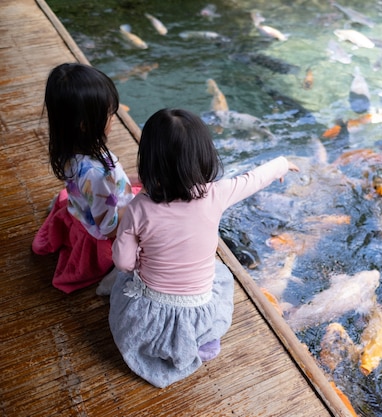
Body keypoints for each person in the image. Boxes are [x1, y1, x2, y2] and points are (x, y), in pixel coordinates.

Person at [108, 108, 299, 388]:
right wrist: (282, 164)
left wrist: (139, 262)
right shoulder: (217, 193)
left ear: (149, 161)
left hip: (151, 314)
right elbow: (252, 179)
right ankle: (200, 340)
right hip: (197, 309)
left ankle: (163, 344)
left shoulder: (138, 208)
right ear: (205, 156)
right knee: (218, 274)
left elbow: (123, 262)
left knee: (123, 285)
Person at [32, 63, 137, 294]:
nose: (113, 119)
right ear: (84, 125)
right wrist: (139, 206)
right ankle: (112, 280)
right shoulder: (98, 173)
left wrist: (129, 180)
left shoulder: (68, 149)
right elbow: (109, 227)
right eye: (109, 113)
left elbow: (99, 190)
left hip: (84, 209)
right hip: (103, 233)